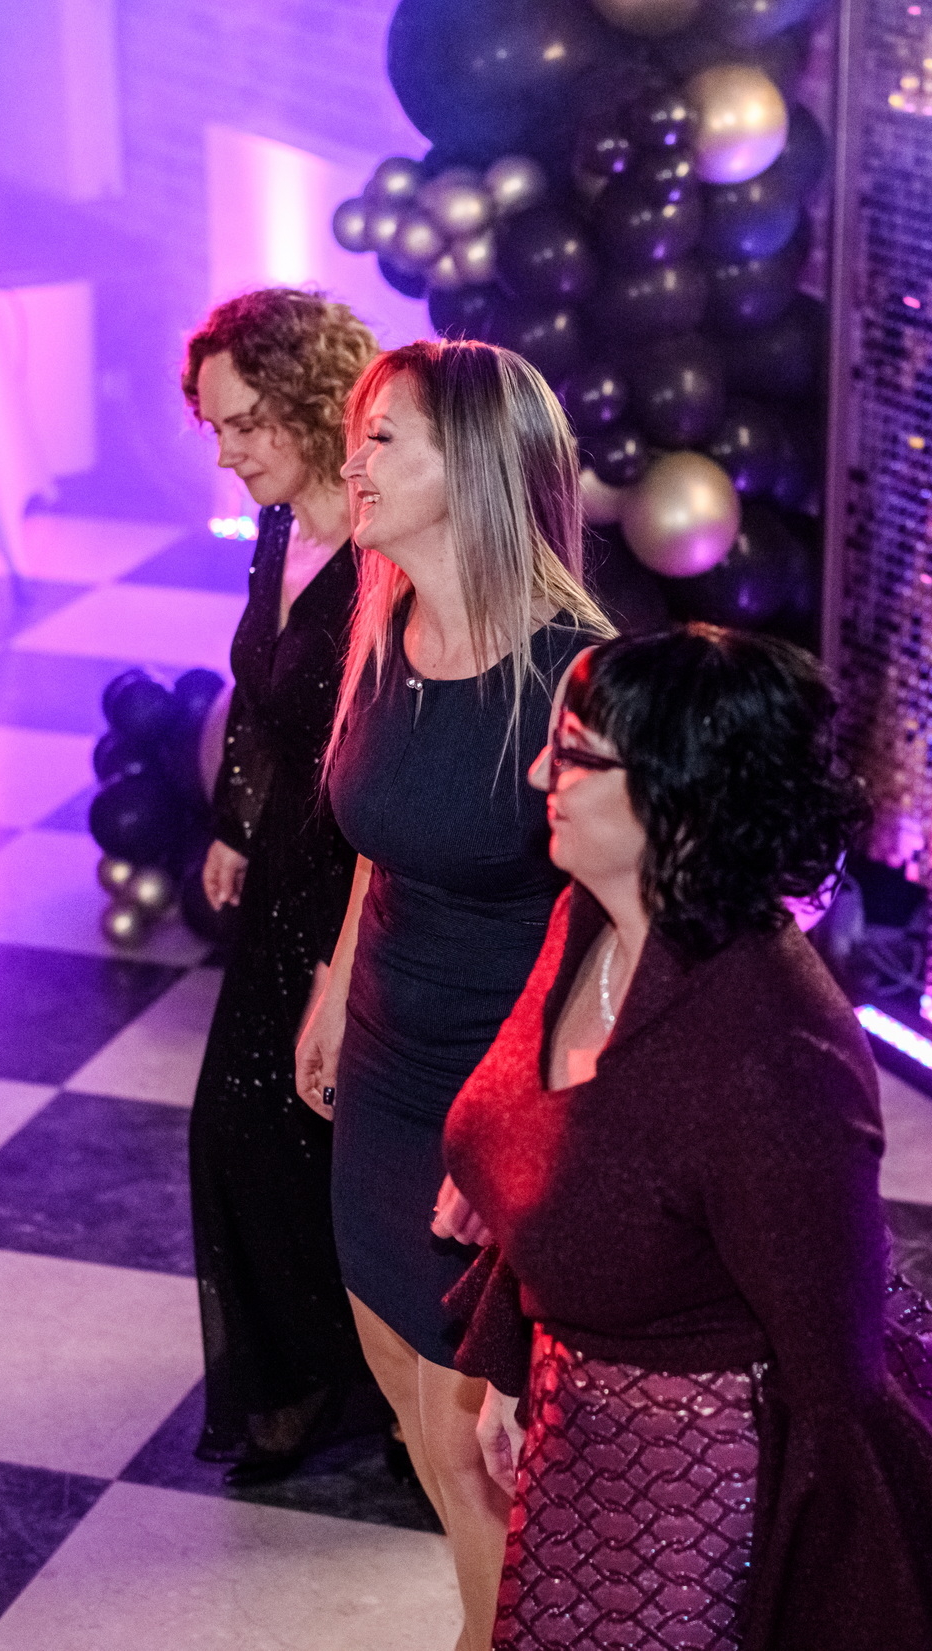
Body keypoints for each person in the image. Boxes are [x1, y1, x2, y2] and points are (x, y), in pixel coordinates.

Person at [439, 626, 932, 1650]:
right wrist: (512, 1366)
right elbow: (564, 1157)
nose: (535, 774)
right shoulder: (588, 917)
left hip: (700, 1497)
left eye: (574, 754)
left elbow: (834, 1385)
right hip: (578, 1442)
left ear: (681, 796)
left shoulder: (774, 1049)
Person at [295, 339, 613, 1651]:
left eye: (385, 439)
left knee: (465, 1425)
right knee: (391, 1365)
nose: (354, 462)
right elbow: (378, 837)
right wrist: (333, 984)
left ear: (472, 466)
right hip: (383, 1056)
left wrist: (531, 1126)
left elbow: (622, 929)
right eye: (356, 436)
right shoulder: (384, 623)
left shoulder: (578, 674)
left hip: (499, 1080)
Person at [179, 287, 385, 1482]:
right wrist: (235, 825)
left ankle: (390, 1402)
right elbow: (260, 700)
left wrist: (343, 953)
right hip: (286, 876)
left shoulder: (387, 551)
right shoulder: (278, 528)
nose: (228, 452)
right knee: (246, 1131)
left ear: (314, 403)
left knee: (352, 1152)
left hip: (366, 886)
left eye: (247, 423)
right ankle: (303, 1382)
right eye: (215, 427)